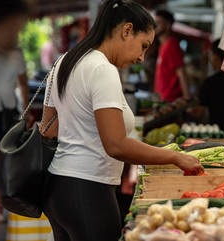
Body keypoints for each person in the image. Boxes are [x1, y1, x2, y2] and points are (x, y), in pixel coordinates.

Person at [39, 1, 203, 240]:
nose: (141, 57)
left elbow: (49, 130)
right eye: (143, 46)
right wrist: (175, 157)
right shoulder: (102, 69)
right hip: (89, 189)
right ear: (127, 31)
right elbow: (116, 144)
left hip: (57, 190)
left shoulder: (63, 62)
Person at [0, 1, 30, 240]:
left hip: (5, 110)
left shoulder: (15, 53)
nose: (15, 35)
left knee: (0, 157)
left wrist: (24, 111)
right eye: (13, 28)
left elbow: (22, 83)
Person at [153, 9, 191, 102]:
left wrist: (187, 99)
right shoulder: (163, 46)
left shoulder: (172, 45)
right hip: (163, 99)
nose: (155, 26)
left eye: (158, 23)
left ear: (168, 25)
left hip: (171, 100)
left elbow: (181, 72)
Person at [198, 39, 224, 131]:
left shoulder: (210, 82)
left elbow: (198, 113)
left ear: (216, 57)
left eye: (211, 54)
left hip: (216, 133)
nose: (210, 59)